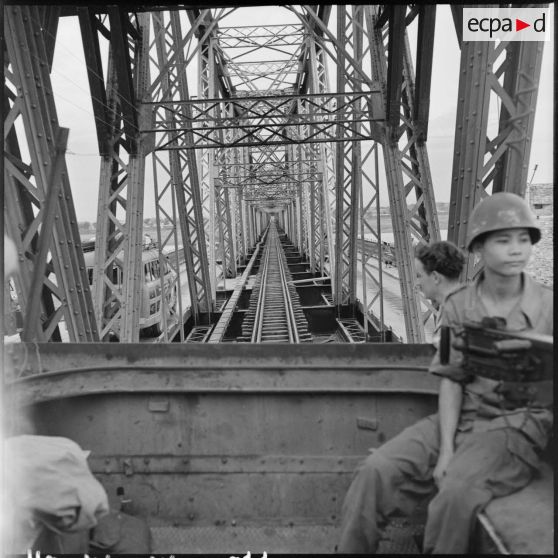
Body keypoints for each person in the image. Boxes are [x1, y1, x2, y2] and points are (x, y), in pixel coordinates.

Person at [337, 192, 553, 554]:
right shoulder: (459, 305)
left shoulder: (548, 306)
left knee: (455, 495)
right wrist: (448, 447)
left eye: (523, 239)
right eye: (503, 240)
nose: (516, 249)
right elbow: (453, 379)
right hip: (465, 415)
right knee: (376, 470)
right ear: (479, 248)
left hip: (517, 423)